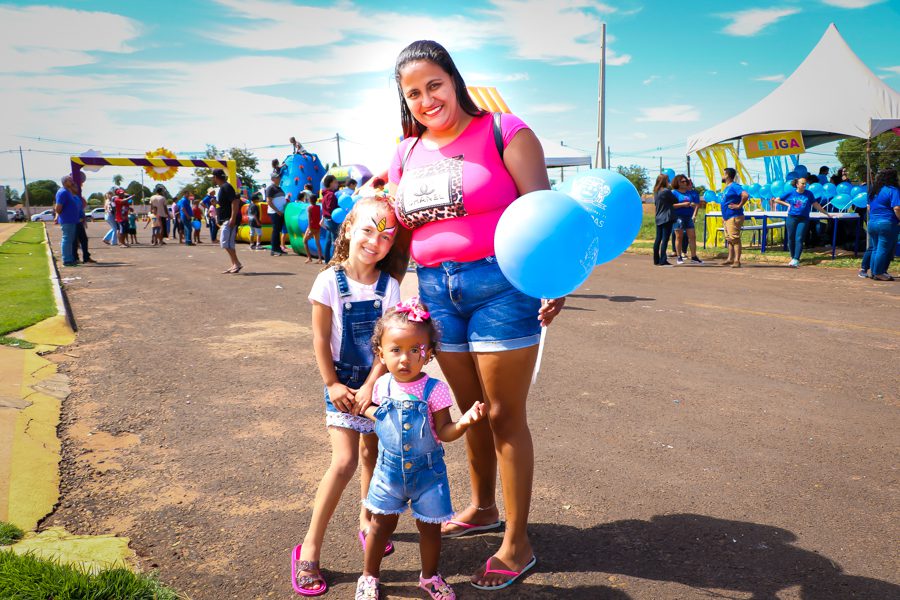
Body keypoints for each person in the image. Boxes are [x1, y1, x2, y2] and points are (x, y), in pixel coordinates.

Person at [387, 40, 564, 591]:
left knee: (506, 416)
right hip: (436, 293)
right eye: (412, 93)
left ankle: (518, 542)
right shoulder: (406, 153)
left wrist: (555, 280)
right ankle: (484, 507)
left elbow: (544, 211)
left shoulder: (504, 131)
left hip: (502, 287)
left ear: (454, 81)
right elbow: (400, 229)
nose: (425, 99)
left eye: (433, 85)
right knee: (472, 410)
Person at [292, 197, 404, 596]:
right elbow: (320, 339)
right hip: (340, 385)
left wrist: (373, 382)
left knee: (374, 455)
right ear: (349, 230)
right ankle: (309, 549)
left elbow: (385, 347)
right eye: (368, 230)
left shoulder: (390, 287)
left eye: (386, 236)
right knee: (343, 461)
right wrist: (333, 385)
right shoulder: (327, 280)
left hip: (376, 383)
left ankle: (367, 523)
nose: (375, 241)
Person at [355, 298, 487, 600]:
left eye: (415, 350)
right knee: (378, 527)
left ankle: (429, 577)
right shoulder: (381, 387)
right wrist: (364, 411)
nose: (405, 358)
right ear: (381, 353)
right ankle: (369, 577)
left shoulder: (435, 389)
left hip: (429, 475)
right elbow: (381, 419)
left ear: (428, 355)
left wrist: (464, 422)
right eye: (396, 350)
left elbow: (444, 432)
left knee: (429, 530)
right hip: (388, 472)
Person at [770, 177, 834, 267]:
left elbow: (816, 204)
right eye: (802, 183)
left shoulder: (809, 194)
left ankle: (796, 258)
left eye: (805, 184)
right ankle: (793, 257)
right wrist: (788, 204)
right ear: (797, 185)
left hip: (803, 219)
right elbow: (777, 200)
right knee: (791, 238)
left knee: (799, 238)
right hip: (792, 218)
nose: (804, 185)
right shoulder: (791, 192)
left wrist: (826, 213)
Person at [860, 168, 900, 281]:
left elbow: (869, 207)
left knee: (875, 248)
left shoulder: (874, 191)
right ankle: (878, 272)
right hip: (887, 223)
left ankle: (874, 272)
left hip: (872, 223)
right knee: (882, 249)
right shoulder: (893, 190)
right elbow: (897, 208)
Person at [213, 169, 242, 274]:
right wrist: (215, 203)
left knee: (224, 243)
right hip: (226, 219)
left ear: (215, 177)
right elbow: (226, 203)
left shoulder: (226, 187)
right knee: (228, 244)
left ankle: (237, 263)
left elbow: (235, 201)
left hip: (228, 220)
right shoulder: (224, 187)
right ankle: (234, 264)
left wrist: (232, 218)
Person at [670, 174, 701, 264]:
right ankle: (679, 256)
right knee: (679, 237)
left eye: (686, 181)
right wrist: (683, 205)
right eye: (682, 181)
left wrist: (693, 205)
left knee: (692, 236)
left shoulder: (689, 193)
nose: (685, 183)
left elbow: (695, 204)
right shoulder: (674, 193)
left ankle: (694, 257)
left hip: (688, 217)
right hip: (678, 217)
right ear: (677, 183)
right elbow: (671, 206)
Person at [720, 167, 748, 268]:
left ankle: (737, 260)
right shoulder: (727, 187)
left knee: (735, 239)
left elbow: (745, 195)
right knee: (729, 239)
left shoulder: (734, 186)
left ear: (727, 175)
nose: (722, 176)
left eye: (723, 174)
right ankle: (730, 258)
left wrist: (739, 205)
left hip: (734, 216)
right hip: (727, 217)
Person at [54, 175, 82, 267]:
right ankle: (67, 259)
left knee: (70, 240)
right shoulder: (62, 192)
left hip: (72, 220)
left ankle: (70, 258)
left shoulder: (68, 192)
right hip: (67, 220)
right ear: (65, 182)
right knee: (67, 239)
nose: (72, 182)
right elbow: (58, 208)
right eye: (70, 180)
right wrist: (63, 214)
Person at [652, 174, 677, 266]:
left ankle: (656, 260)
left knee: (658, 239)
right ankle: (663, 260)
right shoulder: (666, 191)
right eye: (668, 180)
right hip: (667, 217)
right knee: (665, 239)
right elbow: (675, 200)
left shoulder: (656, 191)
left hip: (658, 217)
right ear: (665, 181)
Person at [266, 171, 287, 256]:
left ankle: (278, 248)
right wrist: (277, 211)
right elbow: (269, 201)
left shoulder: (279, 188)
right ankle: (274, 249)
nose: (279, 178)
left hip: (280, 213)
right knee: (276, 231)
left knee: (278, 231)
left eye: (279, 177)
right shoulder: (271, 188)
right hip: (274, 212)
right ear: (273, 179)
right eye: (277, 177)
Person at [320, 175, 339, 262]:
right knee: (335, 241)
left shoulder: (325, 194)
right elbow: (330, 208)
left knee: (328, 241)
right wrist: (338, 208)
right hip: (332, 220)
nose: (337, 184)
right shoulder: (331, 195)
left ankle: (327, 260)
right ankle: (334, 260)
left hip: (327, 220)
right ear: (330, 183)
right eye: (335, 182)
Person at [304, 194, 323, 264]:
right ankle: (320, 259)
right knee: (317, 243)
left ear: (310, 200)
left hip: (312, 227)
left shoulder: (309, 208)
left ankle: (309, 257)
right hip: (317, 226)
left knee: (305, 241)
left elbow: (309, 219)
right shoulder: (318, 207)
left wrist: (309, 229)